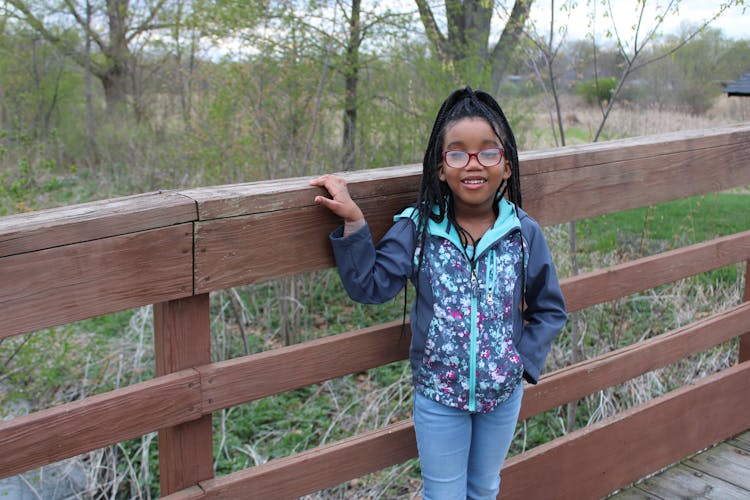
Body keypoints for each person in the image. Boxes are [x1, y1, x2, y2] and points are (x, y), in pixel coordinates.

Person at [310, 87, 567, 499]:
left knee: (484, 489)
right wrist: (355, 222)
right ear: (439, 168)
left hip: (502, 395)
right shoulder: (419, 229)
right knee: (443, 494)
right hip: (438, 396)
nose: (473, 164)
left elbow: (550, 308)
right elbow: (371, 285)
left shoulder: (523, 233)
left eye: (488, 152)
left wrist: (519, 362)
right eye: (457, 153)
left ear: (507, 166)